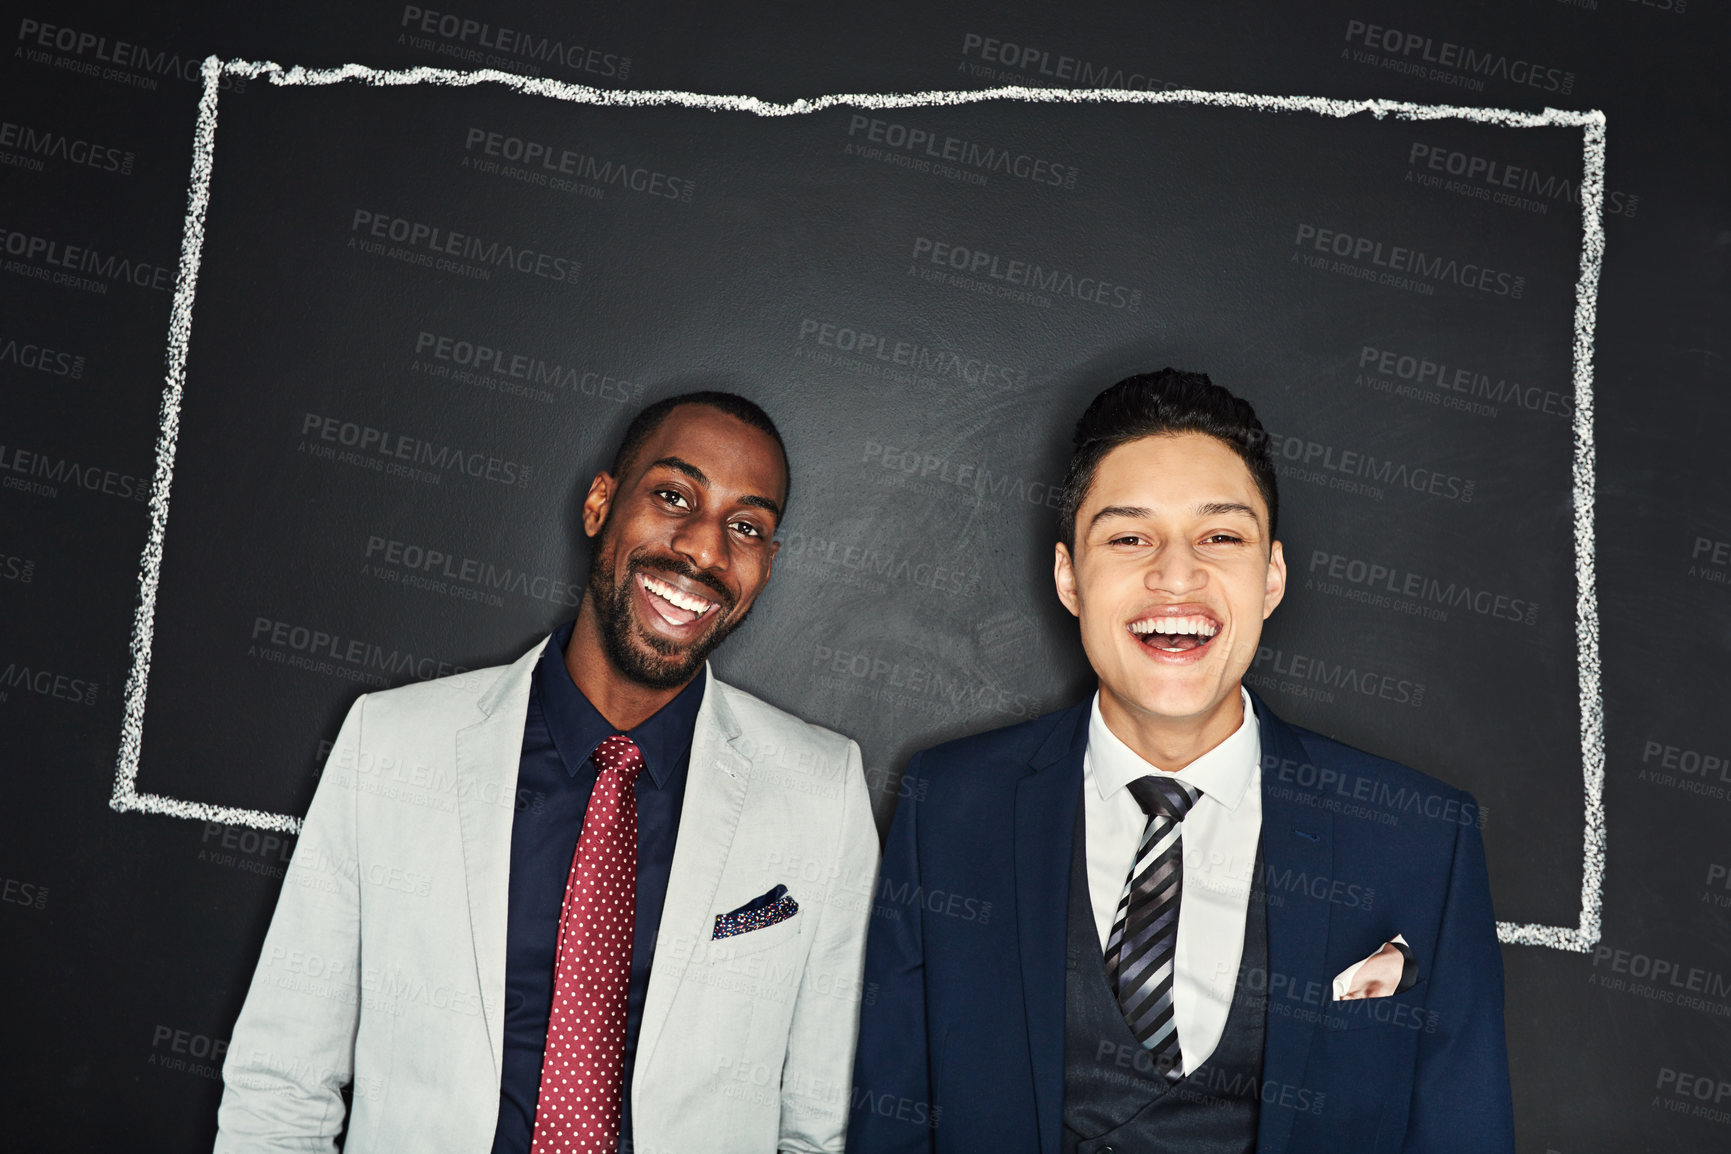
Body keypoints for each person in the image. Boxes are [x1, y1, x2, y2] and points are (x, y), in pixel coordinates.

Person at [848, 370, 1513, 1153]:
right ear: (1068, 576)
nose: (1174, 574)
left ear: (1271, 577)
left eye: (1220, 537)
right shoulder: (950, 806)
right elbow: (888, 1119)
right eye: (1129, 537)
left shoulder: (1417, 836)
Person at [216, 392, 879, 1154]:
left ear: (766, 563)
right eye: (672, 497)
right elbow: (281, 1082)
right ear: (601, 504)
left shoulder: (820, 790)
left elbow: (821, 1127)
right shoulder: (391, 745)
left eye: (746, 527)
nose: (703, 550)